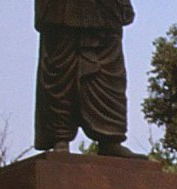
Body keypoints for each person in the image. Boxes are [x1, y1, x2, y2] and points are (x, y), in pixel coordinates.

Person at [34, 1, 142, 157]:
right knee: (60, 70)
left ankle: (110, 138)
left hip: (105, 11)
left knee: (108, 71)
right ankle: (60, 138)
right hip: (60, 11)